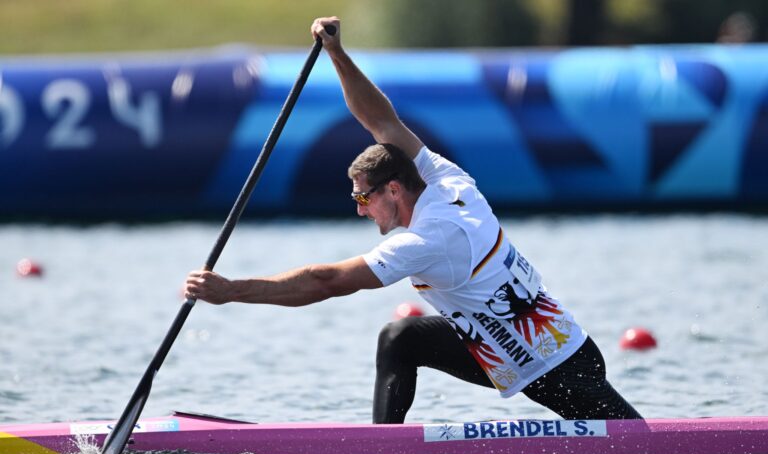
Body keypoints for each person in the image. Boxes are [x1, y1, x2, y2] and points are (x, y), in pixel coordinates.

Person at [184, 16, 642, 424]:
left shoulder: (426, 240)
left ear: (395, 189)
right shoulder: (443, 176)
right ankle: (386, 450)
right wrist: (336, 54)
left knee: (636, 445)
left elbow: (325, 281)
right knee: (401, 337)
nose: (360, 209)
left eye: (364, 197)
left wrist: (232, 291)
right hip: (503, 347)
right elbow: (379, 119)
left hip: (555, 364)